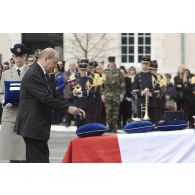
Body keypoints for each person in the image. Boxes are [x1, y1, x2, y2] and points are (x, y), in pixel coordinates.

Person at [14, 48, 85, 163]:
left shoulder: (45, 73)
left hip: (38, 126)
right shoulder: (33, 74)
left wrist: (70, 106)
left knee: (37, 160)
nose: (55, 66)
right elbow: (45, 98)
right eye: (55, 62)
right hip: (32, 126)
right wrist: (67, 108)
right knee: (40, 160)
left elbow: (55, 94)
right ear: (46, 59)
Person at [0, 43, 30, 162]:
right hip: (11, 114)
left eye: (21, 56)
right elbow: (1, 92)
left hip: (26, 114)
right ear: (13, 57)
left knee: (26, 153)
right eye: (16, 56)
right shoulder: (6, 73)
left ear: (26, 57)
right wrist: (4, 100)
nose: (19, 58)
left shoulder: (31, 72)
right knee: (12, 153)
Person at [132, 56, 160, 123]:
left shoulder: (154, 76)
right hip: (141, 102)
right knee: (140, 124)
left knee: (152, 123)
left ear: (149, 64)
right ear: (141, 64)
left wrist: (151, 93)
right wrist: (142, 92)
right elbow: (134, 89)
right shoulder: (137, 76)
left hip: (151, 102)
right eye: (144, 63)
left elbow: (157, 89)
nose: (145, 65)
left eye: (147, 63)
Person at [101, 56, 125, 132]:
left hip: (116, 95)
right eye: (110, 62)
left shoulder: (119, 72)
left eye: (113, 62)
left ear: (114, 62)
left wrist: (122, 94)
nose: (111, 63)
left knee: (116, 112)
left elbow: (123, 84)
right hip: (107, 95)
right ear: (108, 62)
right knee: (108, 112)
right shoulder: (104, 72)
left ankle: (114, 126)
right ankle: (109, 126)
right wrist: (102, 94)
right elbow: (102, 84)